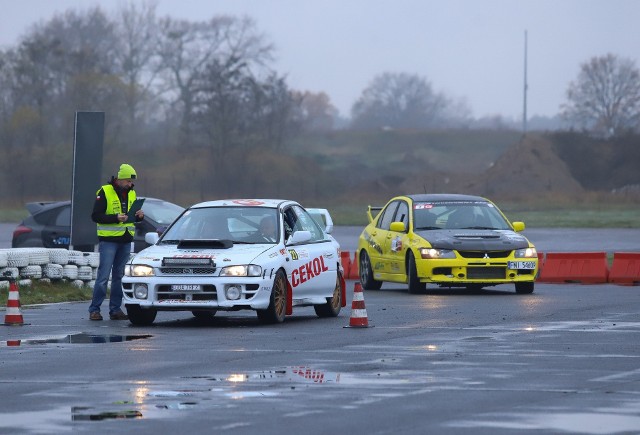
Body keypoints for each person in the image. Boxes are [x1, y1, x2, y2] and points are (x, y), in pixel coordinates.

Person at [88, 163, 144, 321]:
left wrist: (139, 216)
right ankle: (94, 309)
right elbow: (96, 216)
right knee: (103, 276)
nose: (131, 184)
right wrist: (115, 218)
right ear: (119, 179)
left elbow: (131, 218)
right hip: (109, 241)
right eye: (128, 181)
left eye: (131, 182)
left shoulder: (132, 193)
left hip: (126, 240)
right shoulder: (105, 192)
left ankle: (115, 309)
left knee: (120, 276)